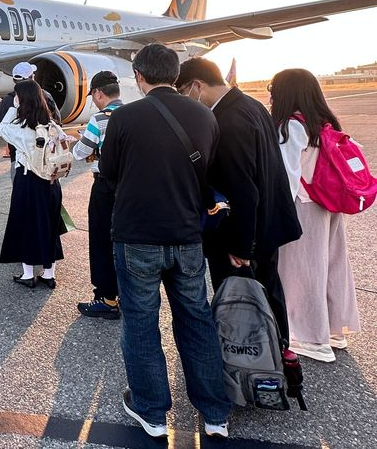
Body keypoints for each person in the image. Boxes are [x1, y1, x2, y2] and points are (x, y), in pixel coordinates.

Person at [99, 44, 231, 439]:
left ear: (140, 76)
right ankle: (214, 413)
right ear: (175, 75)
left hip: (137, 235)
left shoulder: (125, 118)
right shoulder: (205, 116)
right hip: (187, 236)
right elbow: (208, 170)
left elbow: (109, 173)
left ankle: (152, 411)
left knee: (141, 323)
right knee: (196, 320)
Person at [175, 57, 302, 350]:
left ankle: (249, 361)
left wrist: (241, 246)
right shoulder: (251, 104)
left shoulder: (227, 121)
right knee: (268, 294)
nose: (185, 99)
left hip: (245, 234)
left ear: (197, 86)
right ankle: (279, 352)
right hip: (267, 223)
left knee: (241, 303)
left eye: (183, 92)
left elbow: (242, 188)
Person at [270, 68, 361, 362]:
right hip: (328, 203)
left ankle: (312, 337)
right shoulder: (323, 123)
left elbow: (287, 175)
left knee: (301, 271)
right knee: (331, 265)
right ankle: (335, 329)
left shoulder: (290, 126)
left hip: (303, 204)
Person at [0, 80, 65, 289]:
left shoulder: (21, 128)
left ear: (22, 100)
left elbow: (1, 127)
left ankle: (28, 274)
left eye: (17, 96)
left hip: (29, 181)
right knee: (49, 225)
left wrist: (13, 108)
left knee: (26, 225)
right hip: (52, 182)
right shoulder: (52, 125)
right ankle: (49, 274)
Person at [72, 70, 124, 319]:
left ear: (99, 93)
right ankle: (122, 293)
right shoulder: (132, 114)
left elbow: (80, 152)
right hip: (129, 188)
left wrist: (81, 142)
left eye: (93, 94)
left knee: (102, 241)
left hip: (105, 188)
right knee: (123, 242)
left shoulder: (99, 118)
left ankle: (106, 298)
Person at [0, 62, 62, 180]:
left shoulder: (9, 100)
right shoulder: (45, 95)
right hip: (48, 160)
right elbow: (58, 120)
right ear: (31, 79)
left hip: (20, 161)